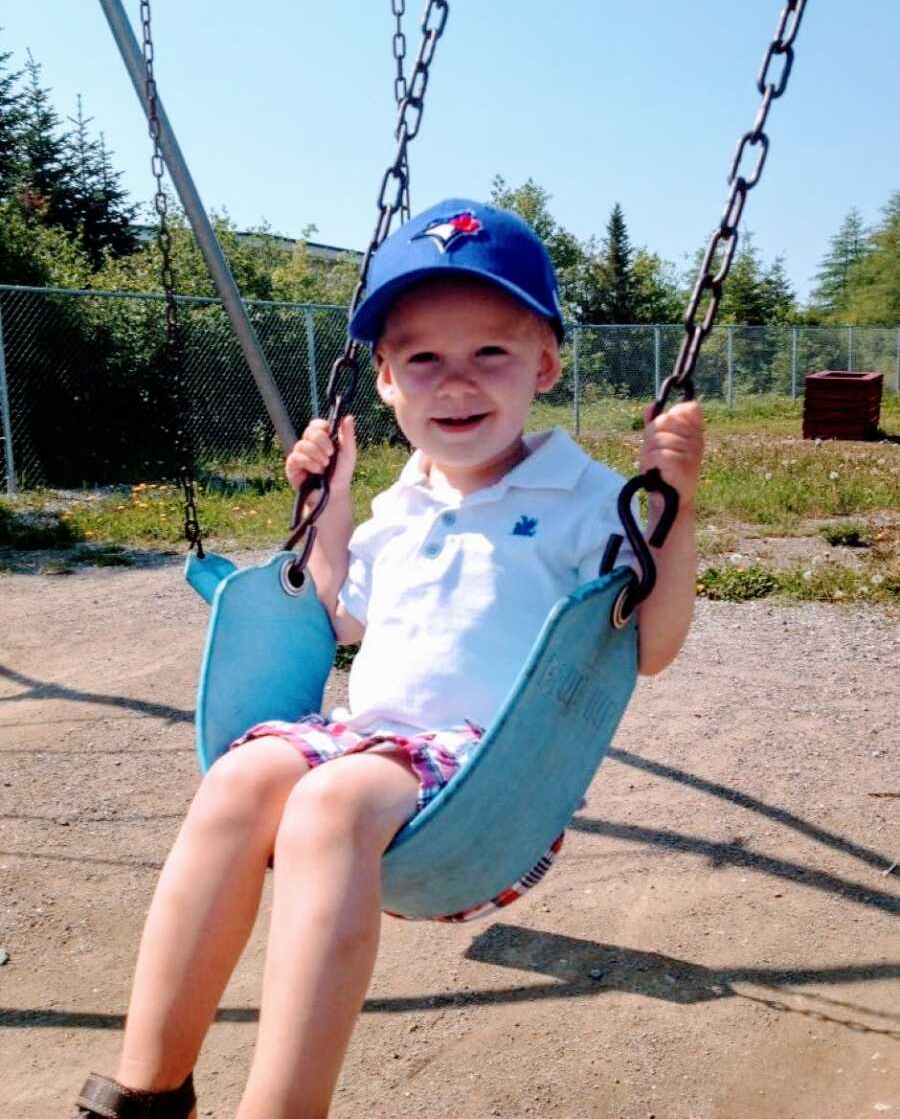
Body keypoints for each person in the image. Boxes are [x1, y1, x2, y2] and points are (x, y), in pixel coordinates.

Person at [71, 199, 703, 1119]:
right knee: (242, 777)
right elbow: (332, 614)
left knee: (326, 802)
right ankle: (148, 1090)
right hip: (369, 743)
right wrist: (327, 501)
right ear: (386, 381)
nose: (456, 384)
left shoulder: (589, 500)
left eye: (489, 353)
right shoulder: (399, 506)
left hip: (490, 781)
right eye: (423, 360)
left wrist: (674, 507)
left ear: (546, 364)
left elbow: (649, 647)